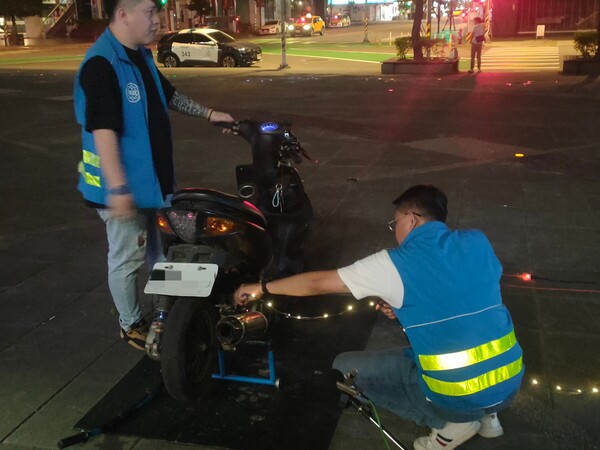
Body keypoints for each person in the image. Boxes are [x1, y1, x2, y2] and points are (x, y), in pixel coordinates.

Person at [234, 185, 524, 450]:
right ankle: (489, 416)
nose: (394, 230)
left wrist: (262, 288)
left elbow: (317, 283)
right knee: (474, 335)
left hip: (455, 397)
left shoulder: (393, 263)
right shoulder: (477, 241)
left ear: (411, 219)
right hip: (510, 379)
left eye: (395, 223)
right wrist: (404, 308)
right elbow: (464, 298)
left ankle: (450, 424)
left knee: (343, 369)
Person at [74, 0, 234, 351]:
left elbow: (169, 95)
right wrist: (118, 189)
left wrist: (209, 114)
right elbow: (103, 131)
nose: (157, 20)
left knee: (158, 251)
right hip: (123, 190)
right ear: (123, 14)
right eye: (149, 11)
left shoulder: (140, 56)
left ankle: (170, 315)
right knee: (127, 257)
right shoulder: (102, 64)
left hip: (149, 185)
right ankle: (130, 323)